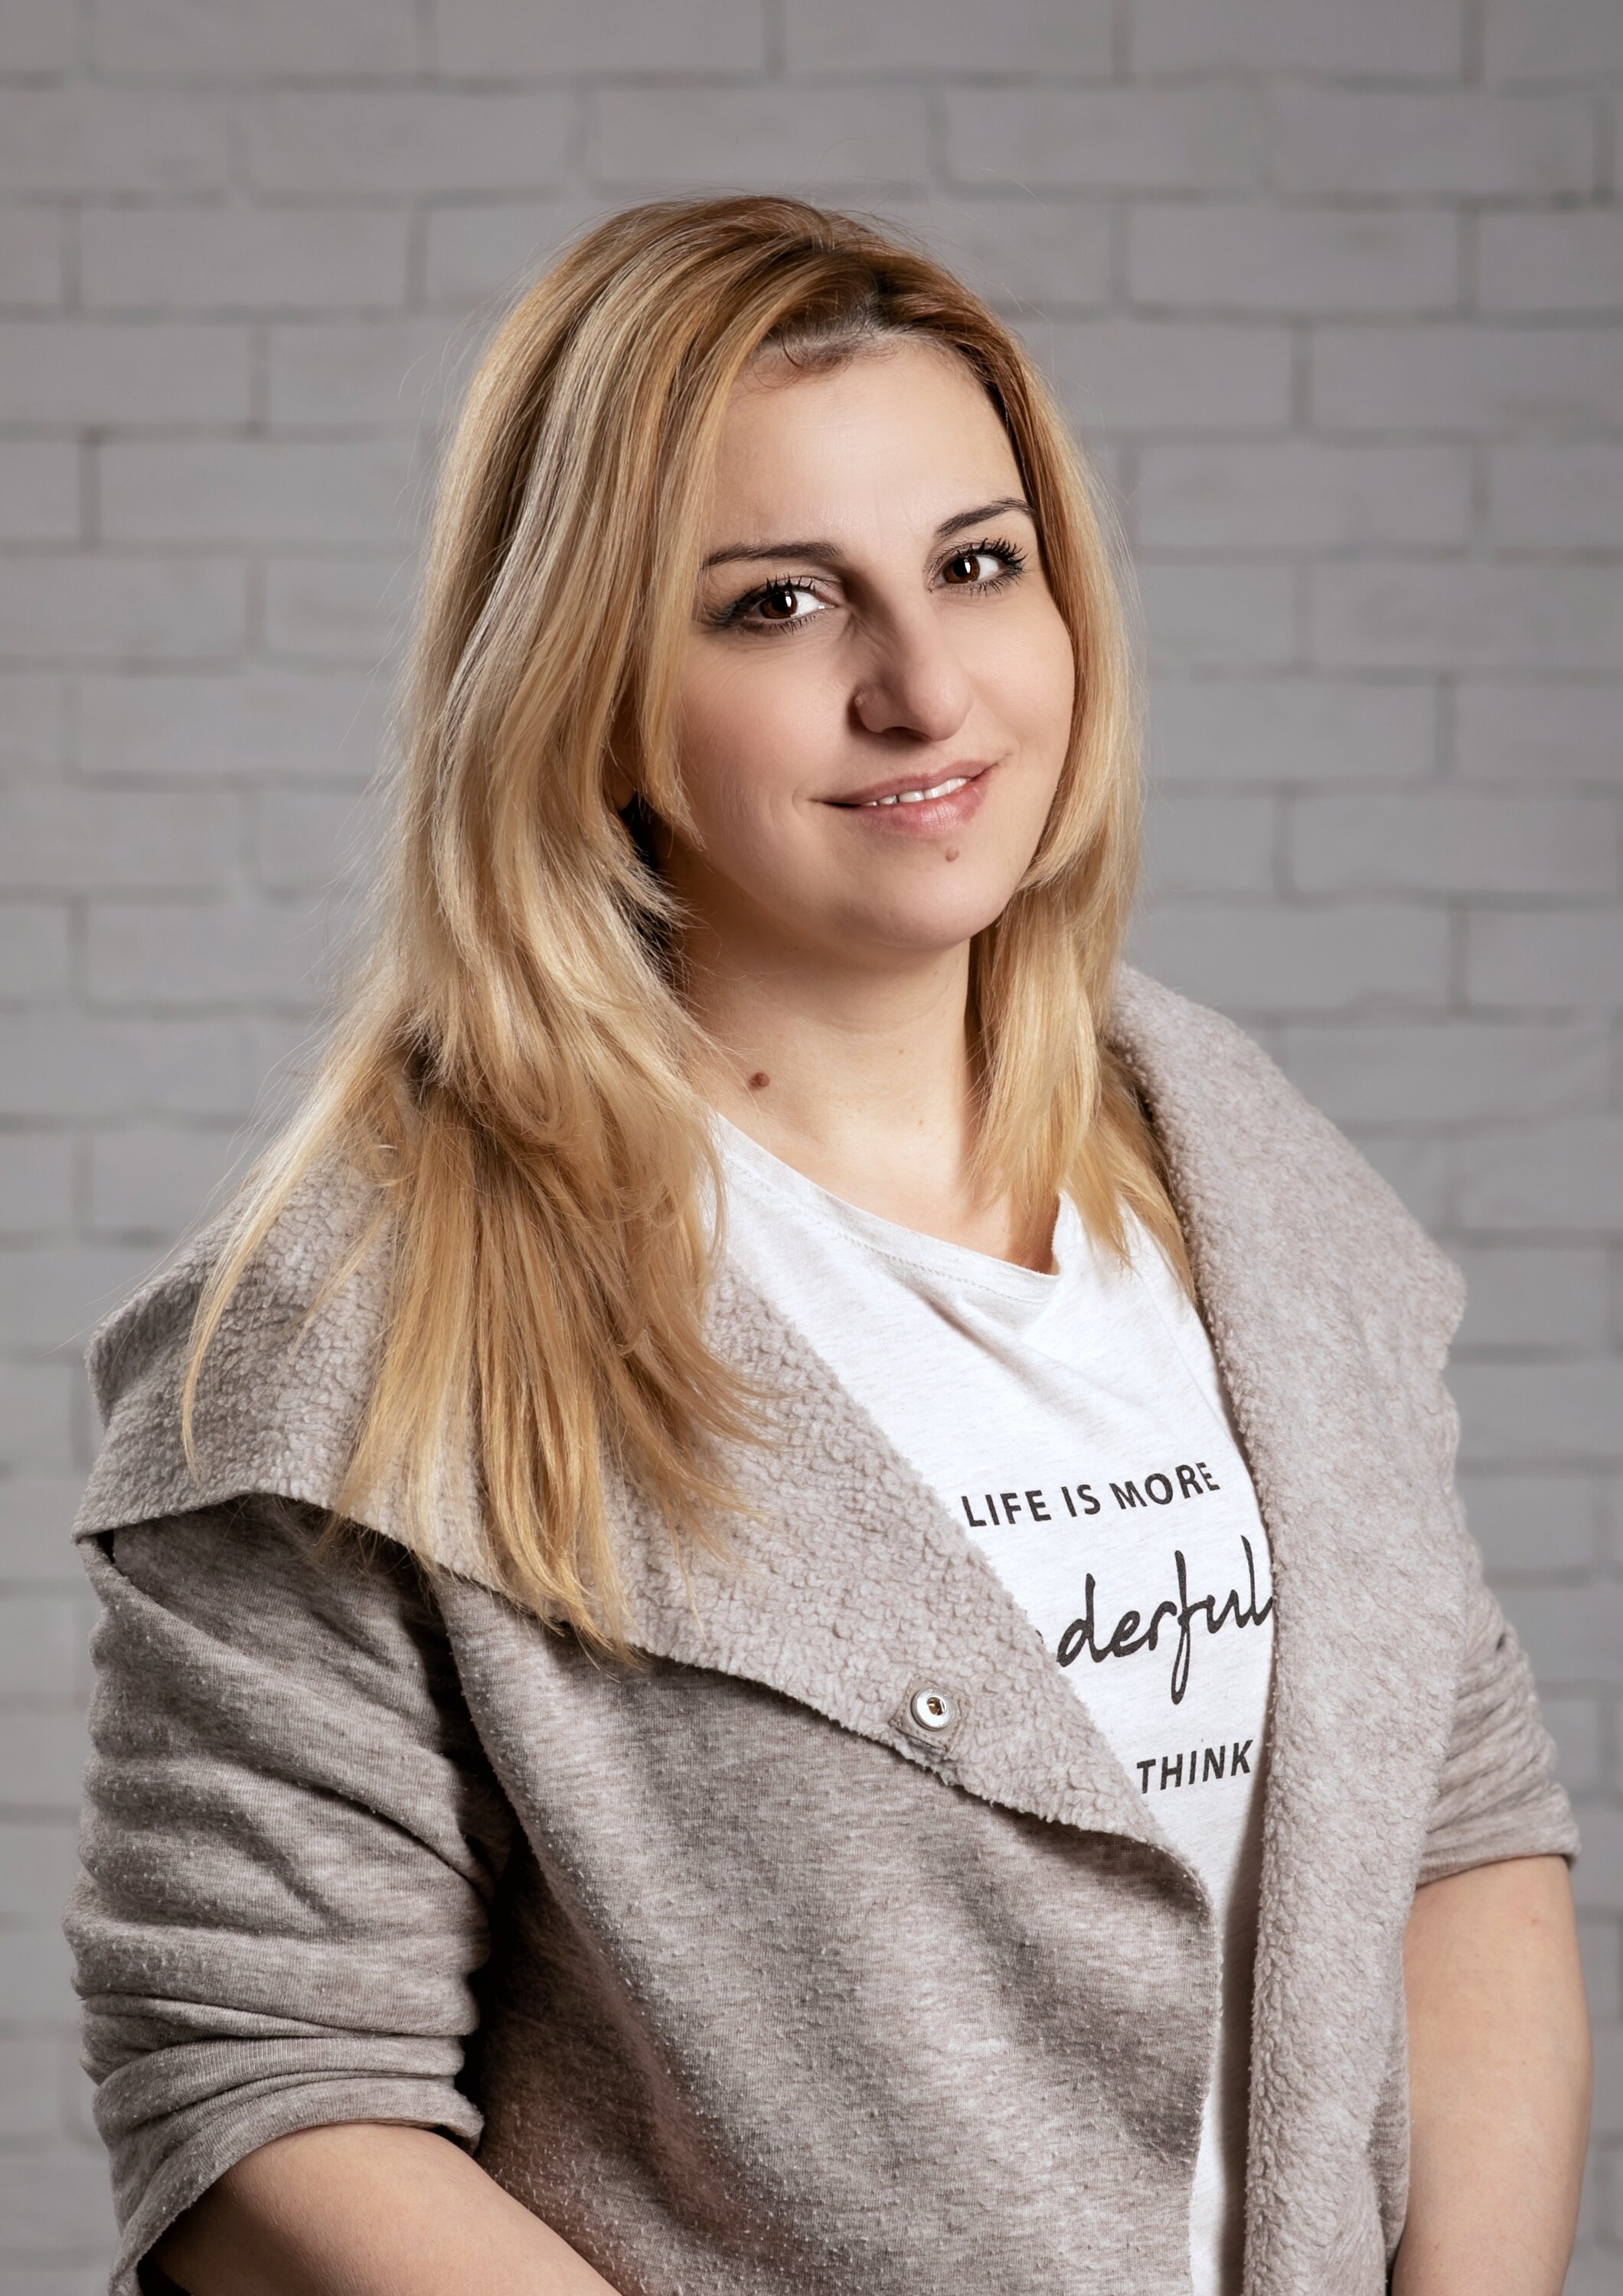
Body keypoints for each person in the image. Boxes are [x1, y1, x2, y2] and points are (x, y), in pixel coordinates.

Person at [67, 195, 1590, 2296]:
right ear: (593, 690)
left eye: (979, 564)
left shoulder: (1242, 1165)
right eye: (778, 605)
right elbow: (264, 2101)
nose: (925, 688)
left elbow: (1458, 1818)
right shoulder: (371, 1322)